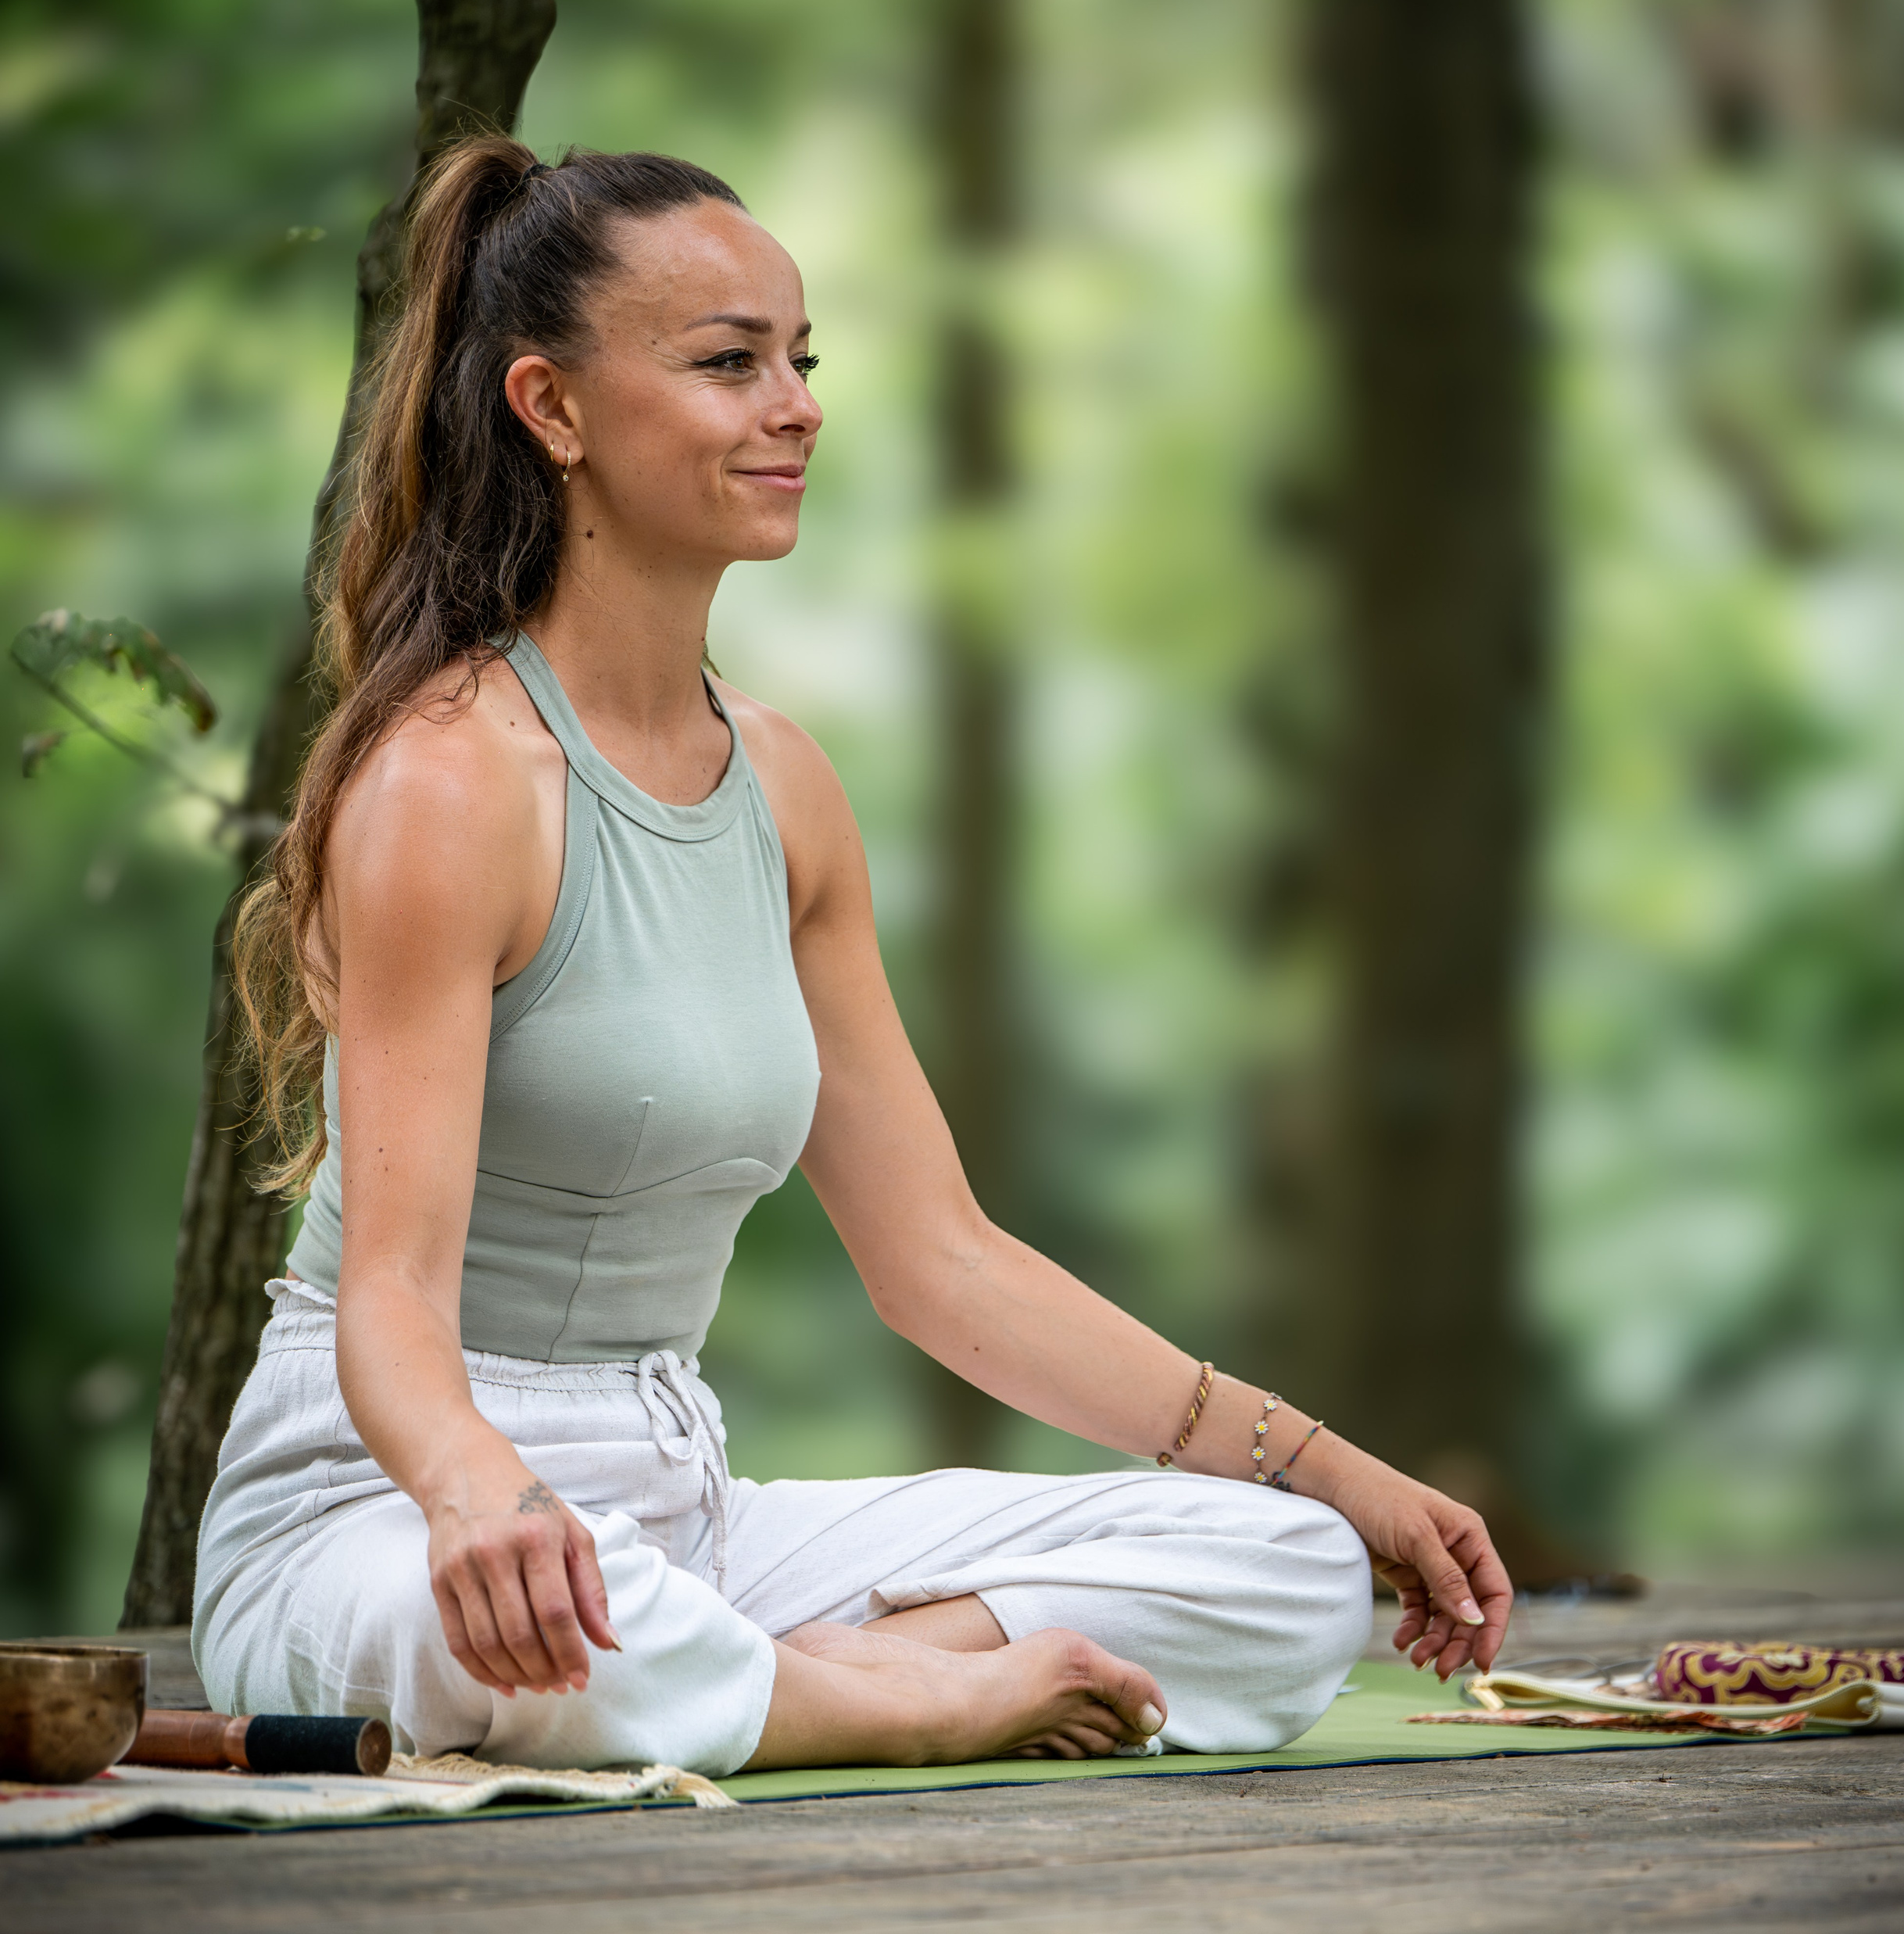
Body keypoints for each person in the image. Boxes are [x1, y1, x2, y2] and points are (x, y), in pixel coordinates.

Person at [192, 138, 1512, 1778]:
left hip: (677, 1506)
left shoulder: (786, 788)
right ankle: (915, 1690)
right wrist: (478, 1494)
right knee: (575, 1636)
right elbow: (389, 1291)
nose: (796, 405)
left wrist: (1327, 1466)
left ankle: (795, 1673)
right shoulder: (449, 784)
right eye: (727, 363)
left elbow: (940, 1260)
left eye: (800, 360)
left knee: (1286, 1560)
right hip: (386, 1508)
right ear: (551, 407)